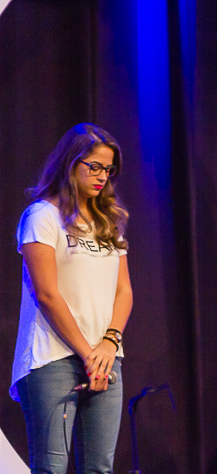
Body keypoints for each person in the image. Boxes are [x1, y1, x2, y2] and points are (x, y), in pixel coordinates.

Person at [10, 123, 132, 474]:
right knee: (51, 468)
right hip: (53, 357)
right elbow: (47, 294)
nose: (102, 177)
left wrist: (108, 344)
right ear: (69, 163)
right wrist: (87, 353)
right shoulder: (41, 217)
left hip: (106, 357)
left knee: (100, 469)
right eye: (93, 166)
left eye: (108, 170)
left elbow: (124, 291)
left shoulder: (109, 222)